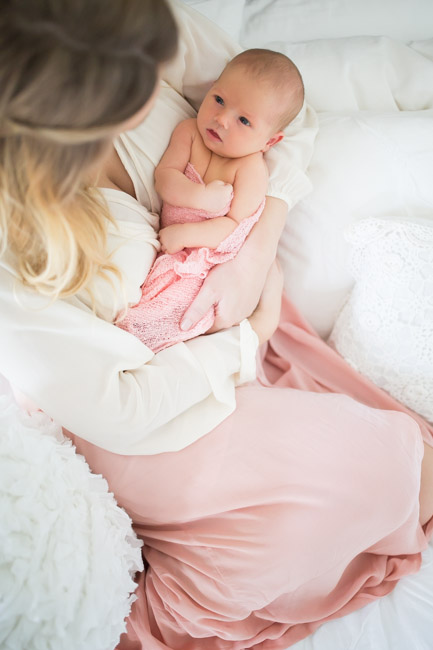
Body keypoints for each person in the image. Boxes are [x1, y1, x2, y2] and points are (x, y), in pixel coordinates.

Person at [0, 1, 432, 650]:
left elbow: (287, 115)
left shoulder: (123, 25)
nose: (170, 89)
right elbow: (117, 408)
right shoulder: (21, 245)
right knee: (380, 466)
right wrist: (244, 337)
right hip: (146, 405)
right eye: (139, 83)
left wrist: (257, 251)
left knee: (406, 462)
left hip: (224, 303)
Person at [117, 49, 304, 352]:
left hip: (209, 260)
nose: (221, 120)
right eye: (219, 100)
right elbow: (165, 176)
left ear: (270, 141)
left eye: (243, 120)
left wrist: (187, 234)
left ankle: (144, 350)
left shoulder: (251, 169)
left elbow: (233, 227)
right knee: (131, 297)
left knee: (176, 312)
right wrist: (198, 196)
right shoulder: (189, 132)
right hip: (170, 249)